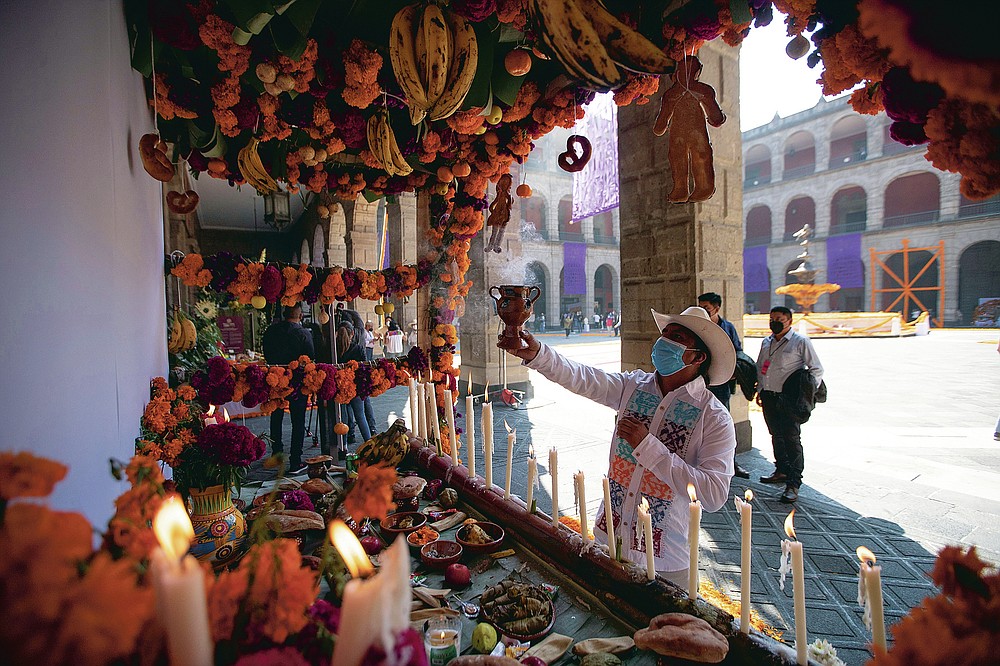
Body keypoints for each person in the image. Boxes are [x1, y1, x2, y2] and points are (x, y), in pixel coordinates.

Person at [506, 306, 736, 588]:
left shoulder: (713, 417)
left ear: (698, 357)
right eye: (664, 334)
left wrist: (648, 447)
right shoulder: (634, 386)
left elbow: (713, 494)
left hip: (666, 561)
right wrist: (540, 355)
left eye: (677, 337)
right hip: (608, 540)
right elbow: (583, 378)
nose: (664, 342)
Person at [755, 306, 824, 503]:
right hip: (769, 397)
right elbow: (762, 368)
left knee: (792, 439)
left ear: (789, 322)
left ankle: (794, 482)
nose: (774, 322)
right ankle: (781, 470)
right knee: (776, 435)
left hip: (789, 400)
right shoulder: (766, 342)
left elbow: (816, 369)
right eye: (771, 318)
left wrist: (805, 394)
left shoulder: (800, 342)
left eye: (779, 319)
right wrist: (760, 390)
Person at [697, 292, 749, 479]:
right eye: (700, 307)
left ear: (717, 308)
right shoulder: (697, 327)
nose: (703, 311)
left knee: (723, 422)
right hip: (700, 383)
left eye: (706, 308)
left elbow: (737, 351)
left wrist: (732, 371)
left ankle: (731, 464)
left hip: (721, 385)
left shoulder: (728, 328)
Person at [262, 304, 315, 474]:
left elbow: (266, 353)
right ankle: (295, 461)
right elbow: (310, 358)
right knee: (297, 421)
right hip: (296, 382)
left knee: (276, 416)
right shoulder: (303, 333)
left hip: (275, 379)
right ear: (300, 315)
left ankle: (277, 453)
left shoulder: (271, 331)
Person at [335, 321, 373, 445]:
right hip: (356, 387)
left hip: (339, 388)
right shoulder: (358, 348)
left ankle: (343, 446)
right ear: (352, 333)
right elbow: (365, 368)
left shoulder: (334, 350)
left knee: (343, 418)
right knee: (360, 416)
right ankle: (368, 443)